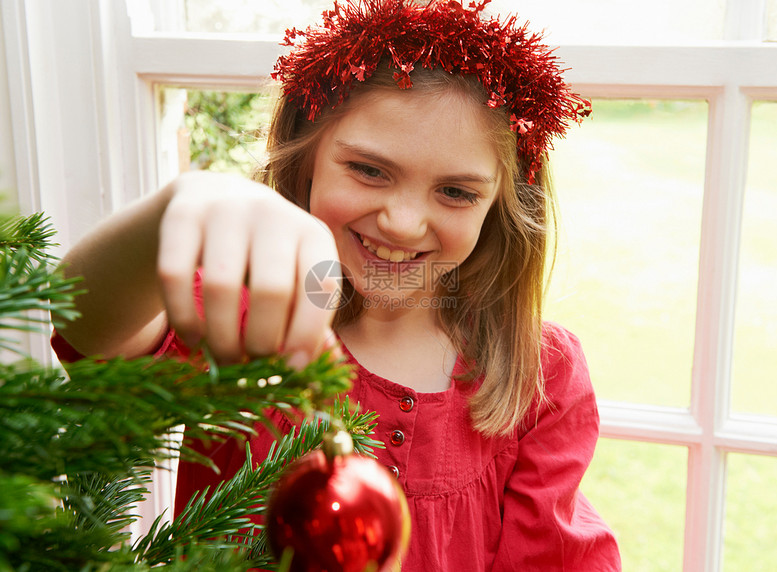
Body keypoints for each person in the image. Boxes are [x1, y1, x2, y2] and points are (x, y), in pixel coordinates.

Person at [52, 0, 621, 569]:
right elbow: (87, 325)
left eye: (455, 192)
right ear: (308, 161)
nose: (402, 221)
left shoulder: (540, 373)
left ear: (498, 204)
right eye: (370, 170)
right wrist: (172, 212)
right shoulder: (246, 316)